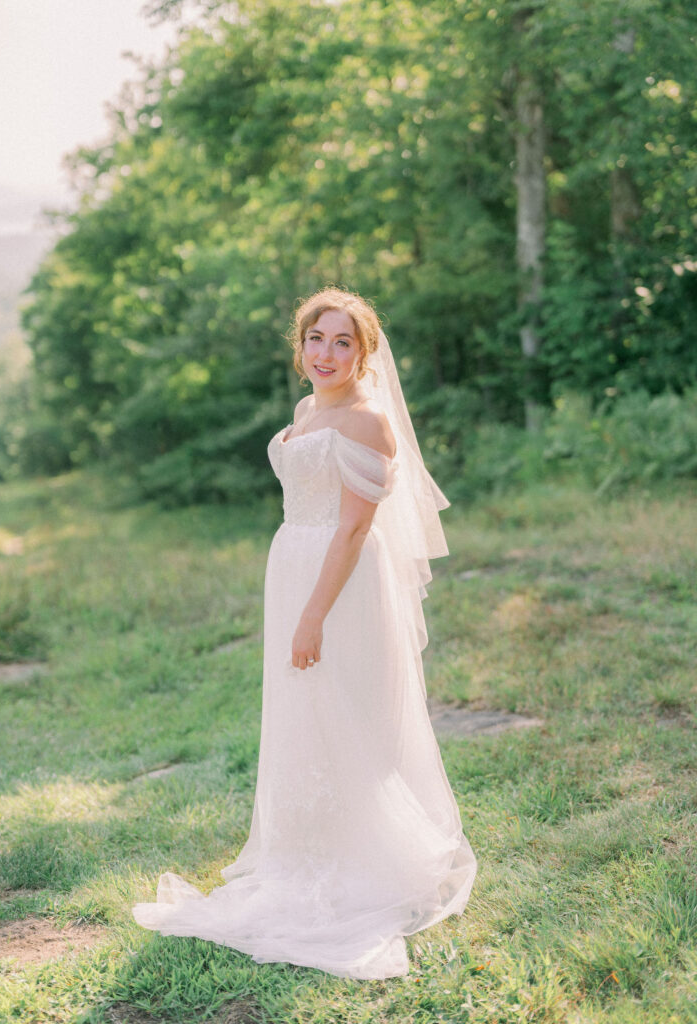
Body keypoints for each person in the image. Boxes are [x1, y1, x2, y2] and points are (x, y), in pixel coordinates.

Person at [133, 287, 477, 979]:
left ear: (364, 352)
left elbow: (354, 529)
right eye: (316, 339)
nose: (326, 353)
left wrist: (314, 613)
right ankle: (307, 846)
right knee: (304, 714)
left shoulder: (368, 421)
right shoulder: (305, 409)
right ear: (301, 348)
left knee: (343, 704)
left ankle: (364, 856)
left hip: (337, 582)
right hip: (293, 564)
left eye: (342, 341)